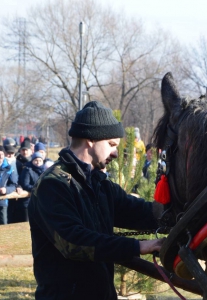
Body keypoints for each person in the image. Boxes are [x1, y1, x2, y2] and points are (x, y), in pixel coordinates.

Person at [28, 101, 164, 300]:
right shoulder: (53, 185)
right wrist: (139, 246)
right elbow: (73, 242)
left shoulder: (100, 183)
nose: (116, 153)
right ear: (90, 139)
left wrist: (184, 214)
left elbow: (140, 212)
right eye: (111, 144)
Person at [16, 152, 44, 223]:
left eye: (40, 161)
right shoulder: (27, 170)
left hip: (40, 201)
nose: (38, 162)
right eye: (36, 160)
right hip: (28, 201)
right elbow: (25, 184)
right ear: (32, 161)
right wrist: (38, 188)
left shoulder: (44, 171)